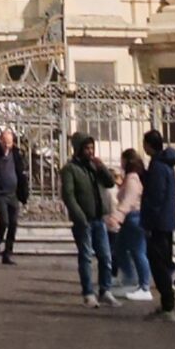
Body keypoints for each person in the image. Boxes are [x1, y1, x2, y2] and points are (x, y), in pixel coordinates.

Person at [60, 132, 120, 308]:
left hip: (99, 219)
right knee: (86, 257)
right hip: (83, 221)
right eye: (86, 148)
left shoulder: (94, 167)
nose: (90, 151)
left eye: (92, 148)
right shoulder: (70, 169)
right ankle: (88, 293)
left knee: (105, 256)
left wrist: (101, 167)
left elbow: (110, 183)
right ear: (78, 150)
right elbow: (69, 196)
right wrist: (80, 217)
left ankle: (105, 290)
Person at [141, 128, 175, 318]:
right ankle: (167, 304)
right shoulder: (165, 164)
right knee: (162, 262)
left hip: (158, 223)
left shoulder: (157, 166)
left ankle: (168, 305)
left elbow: (155, 197)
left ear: (149, 145)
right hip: (166, 221)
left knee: (158, 264)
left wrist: (148, 222)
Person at [108, 147, 153, 300]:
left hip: (134, 217)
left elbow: (129, 199)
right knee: (120, 249)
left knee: (138, 251)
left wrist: (117, 216)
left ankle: (144, 286)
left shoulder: (133, 177)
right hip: (130, 218)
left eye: (122, 160)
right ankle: (130, 280)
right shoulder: (131, 177)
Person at [0, 126, 30, 264]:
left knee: (13, 223)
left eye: (10, 143)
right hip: (0, 193)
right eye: (5, 142)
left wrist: (23, 192)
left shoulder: (16, 153)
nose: (7, 146)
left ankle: (8, 252)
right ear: (0, 140)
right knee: (4, 221)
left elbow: (21, 171)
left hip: (13, 194)